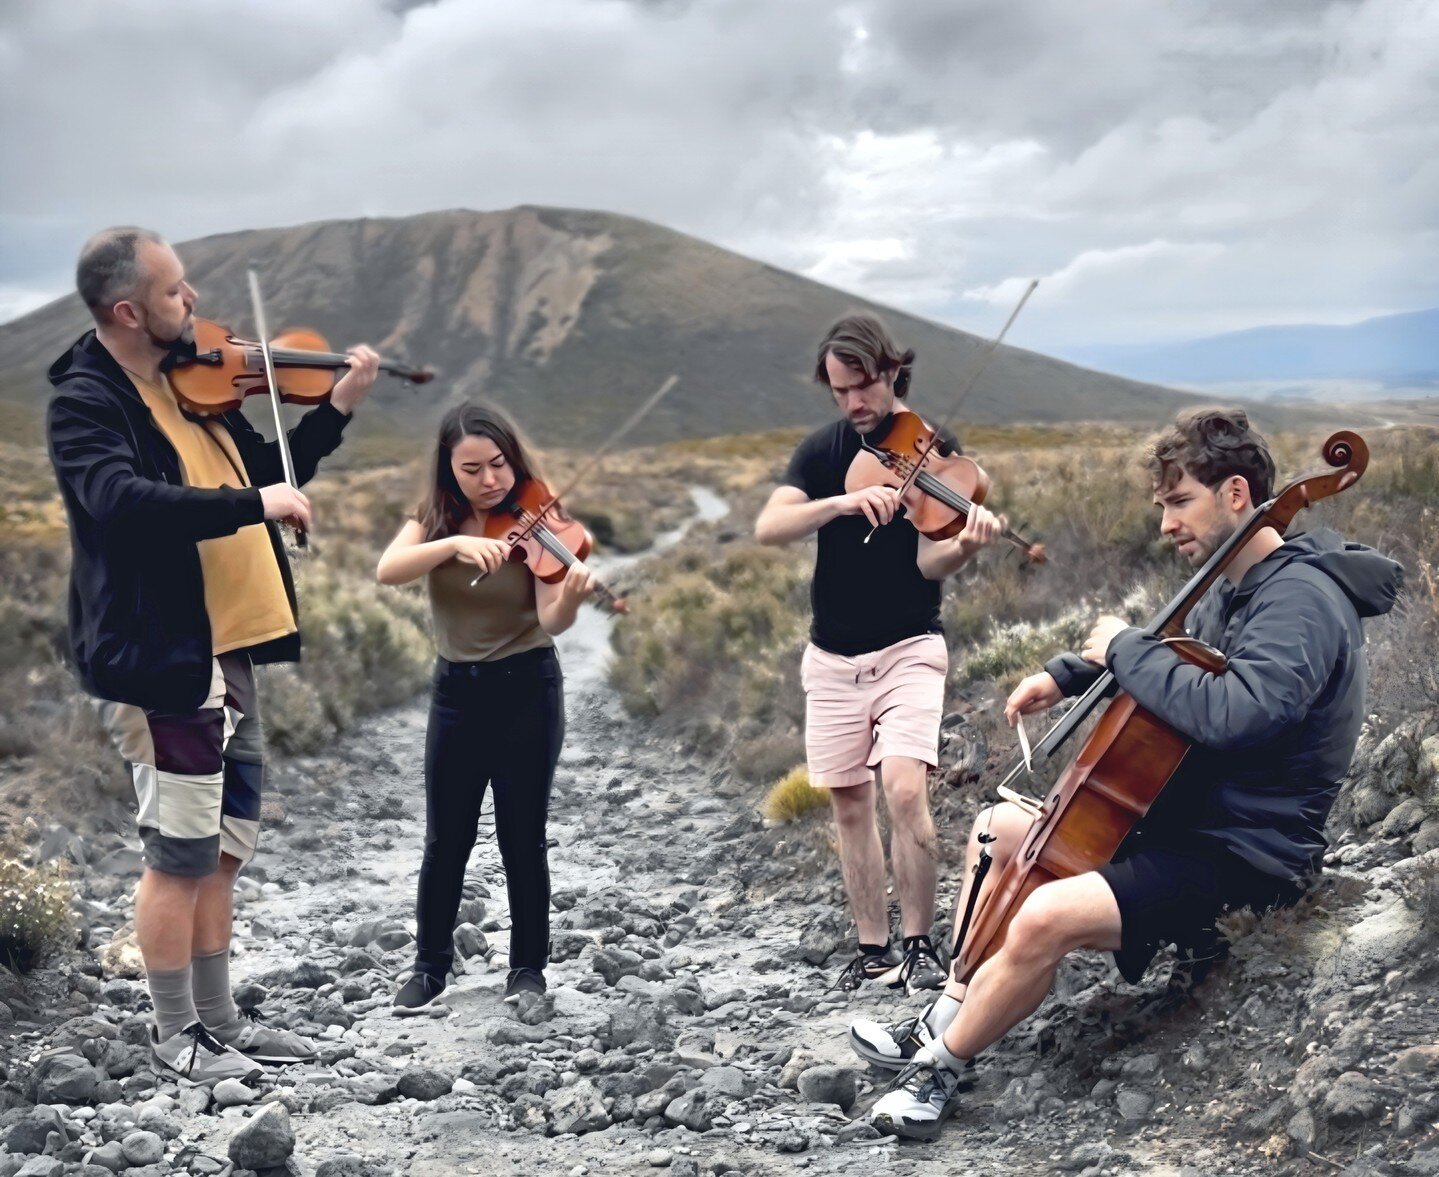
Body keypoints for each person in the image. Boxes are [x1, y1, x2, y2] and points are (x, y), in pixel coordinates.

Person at [858, 408, 1402, 1142]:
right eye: (1162, 506)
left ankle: (940, 1068)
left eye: (1179, 502)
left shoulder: (1297, 600)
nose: (1165, 524)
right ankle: (948, 1012)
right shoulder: (1231, 583)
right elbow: (1171, 649)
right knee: (998, 831)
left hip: (1246, 854)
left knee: (1045, 914)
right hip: (1183, 822)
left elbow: (1236, 712)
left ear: (1236, 493)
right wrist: (1066, 672)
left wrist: (1123, 649)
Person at [46, 226, 380, 1084]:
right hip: (163, 656)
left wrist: (335, 410)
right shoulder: (88, 400)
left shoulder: (200, 386)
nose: (192, 304)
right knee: (178, 852)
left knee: (225, 845)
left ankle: (220, 1019)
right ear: (127, 310)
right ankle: (173, 1033)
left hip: (230, 649)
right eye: (174, 293)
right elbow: (120, 501)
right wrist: (251, 501)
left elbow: (275, 474)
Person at [755, 314, 1002, 993]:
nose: (854, 403)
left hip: (909, 647)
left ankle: (921, 943)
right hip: (832, 657)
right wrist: (839, 502)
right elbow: (769, 526)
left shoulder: (935, 448)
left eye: (862, 385)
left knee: (902, 784)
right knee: (849, 805)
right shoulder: (822, 452)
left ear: (891, 372)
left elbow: (930, 562)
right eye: (839, 391)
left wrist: (965, 545)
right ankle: (873, 947)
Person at [376, 402, 597, 1011]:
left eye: (498, 464)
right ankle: (428, 968)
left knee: (521, 836)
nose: (490, 480)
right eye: (471, 469)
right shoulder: (433, 518)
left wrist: (572, 603)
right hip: (457, 693)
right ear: (449, 471)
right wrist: (451, 547)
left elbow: (551, 616)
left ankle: (528, 968)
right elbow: (388, 569)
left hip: (528, 687)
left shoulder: (541, 519)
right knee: (446, 837)